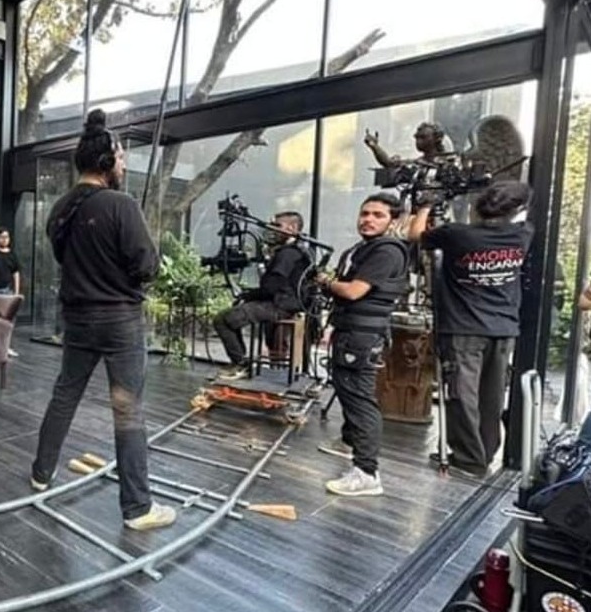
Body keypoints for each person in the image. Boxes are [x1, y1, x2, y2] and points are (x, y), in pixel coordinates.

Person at [30, 109, 175, 531]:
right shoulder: (121, 205)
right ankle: (138, 508)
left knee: (64, 395)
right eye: (122, 158)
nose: (124, 165)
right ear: (107, 160)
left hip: (77, 319)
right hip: (119, 321)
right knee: (128, 410)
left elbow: (66, 258)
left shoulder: (60, 209)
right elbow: (146, 266)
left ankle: (41, 473)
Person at [408, 181, 533, 477]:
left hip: (464, 327)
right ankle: (485, 454)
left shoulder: (457, 234)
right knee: (492, 395)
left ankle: (468, 459)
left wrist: (426, 205)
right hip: (504, 327)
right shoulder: (523, 234)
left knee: (462, 394)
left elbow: (415, 235)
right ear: (516, 210)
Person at [316, 193, 410, 496]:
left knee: (360, 400)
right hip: (352, 332)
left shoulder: (387, 252)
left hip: (362, 336)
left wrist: (326, 282)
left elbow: (354, 291)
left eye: (378, 215)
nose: (368, 219)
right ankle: (350, 444)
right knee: (349, 393)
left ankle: (366, 472)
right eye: (365, 213)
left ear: (393, 220)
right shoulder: (366, 248)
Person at [213, 212, 311, 380]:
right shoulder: (294, 251)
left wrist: (249, 295)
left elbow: (272, 286)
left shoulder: (288, 254)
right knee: (231, 316)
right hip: (280, 302)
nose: (272, 230)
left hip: (279, 305)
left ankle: (241, 364)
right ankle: (242, 362)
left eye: (277, 226)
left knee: (223, 319)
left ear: (292, 228)